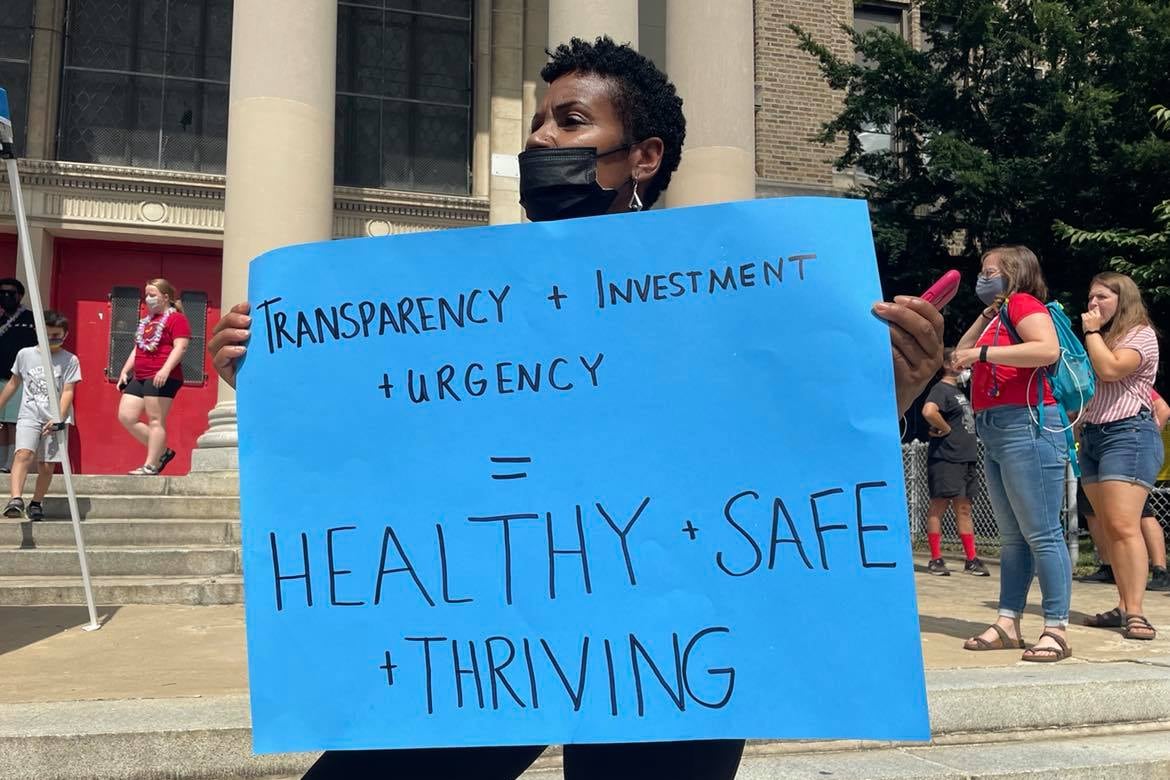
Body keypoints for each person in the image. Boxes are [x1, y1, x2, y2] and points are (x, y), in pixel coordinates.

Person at [207, 36, 944, 780]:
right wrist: (283, 382)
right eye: (538, 123)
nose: (540, 139)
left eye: (569, 122)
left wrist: (890, 394)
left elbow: (780, 455)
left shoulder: (735, 303)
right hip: (487, 630)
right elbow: (391, 441)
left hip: (666, 632)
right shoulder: (460, 302)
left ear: (643, 156)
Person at [951, 246, 1072, 662]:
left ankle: (1055, 627)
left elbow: (1046, 349)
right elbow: (958, 354)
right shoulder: (999, 315)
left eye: (990, 271)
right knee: (1013, 537)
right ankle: (1007, 621)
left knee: (1041, 532)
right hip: (998, 426)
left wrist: (982, 353)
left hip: (1027, 424)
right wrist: (984, 320)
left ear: (1013, 272)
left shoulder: (1024, 303)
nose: (982, 278)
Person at [1076, 273, 1161, 640]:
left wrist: (1092, 334)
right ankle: (1124, 604)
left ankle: (1137, 612)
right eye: (1090, 297)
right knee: (1109, 528)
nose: (1093, 304)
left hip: (1128, 434)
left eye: (1101, 297)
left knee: (1126, 526)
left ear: (1121, 298)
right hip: (1094, 436)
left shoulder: (1141, 334)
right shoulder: (1103, 337)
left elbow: (1111, 370)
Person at [1078, 389, 1169, 592]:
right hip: (1093, 445)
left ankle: (1159, 569)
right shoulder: (1087, 380)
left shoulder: (1129, 384)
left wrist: (1145, 436)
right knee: (1106, 521)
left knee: (1134, 520)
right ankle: (1117, 583)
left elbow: (1162, 408)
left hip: (1125, 446)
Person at [0, 311, 80, 521]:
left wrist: (58, 418)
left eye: (57, 336)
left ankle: (36, 502)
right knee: (23, 454)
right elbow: (13, 383)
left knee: (46, 464)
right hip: (30, 413)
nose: (53, 340)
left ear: (65, 335)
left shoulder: (70, 359)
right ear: (38, 332)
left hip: (56, 419)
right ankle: (15, 498)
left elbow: (68, 391)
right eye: (48, 335)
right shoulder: (25, 354)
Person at [921, 350, 989, 577]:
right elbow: (929, 411)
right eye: (959, 360)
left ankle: (971, 558)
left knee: (964, 508)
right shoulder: (941, 389)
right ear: (949, 364)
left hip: (965, 457)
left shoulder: (959, 392)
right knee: (939, 505)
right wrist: (945, 428)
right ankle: (936, 558)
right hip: (946, 457)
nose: (965, 365)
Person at [116, 278, 190, 476]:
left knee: (155, 420)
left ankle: (151, 464)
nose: (148, 299)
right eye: (146, 295)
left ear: (165, 297)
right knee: (126, 416)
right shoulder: (147, 320)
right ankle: (163, 451)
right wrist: (125, 370)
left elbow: (181, 346)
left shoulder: (176, 319)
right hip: (140, 375)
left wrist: (165, 370)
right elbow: (137, 347)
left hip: (162, 376)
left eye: (152, 295)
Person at [0, 278, 38, 472]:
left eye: (11, 293)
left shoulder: (31, 320)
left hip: (19, 380)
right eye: (2, 293)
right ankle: (2, 460)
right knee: (2, 424)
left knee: (14, 422)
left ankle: (11, 463)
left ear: (20, 295)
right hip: (0, 378)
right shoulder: (1, 320)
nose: (6, 297)